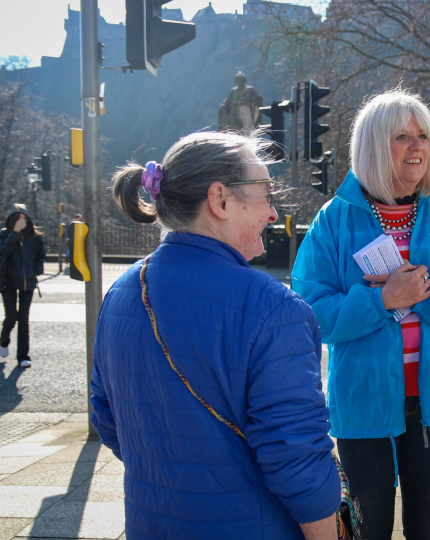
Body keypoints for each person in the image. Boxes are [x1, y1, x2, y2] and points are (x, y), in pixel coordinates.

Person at [90, 132, 340, 540]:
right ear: (220, 200)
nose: (273, 213)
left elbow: (107, 415)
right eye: (266, 194)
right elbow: (296, 459)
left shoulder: (121, 292)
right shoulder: (273, 308)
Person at [292, 90, 430, 540]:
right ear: (371, 145)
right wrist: (381, 300)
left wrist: (422, 293)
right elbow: (310, 312)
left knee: (429, 531)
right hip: (362, 405)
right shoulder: (333, 221)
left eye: (423, 135)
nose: (418, 146)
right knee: (366, 532)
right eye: (401, 137)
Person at [0, 204, 45, 368]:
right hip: (9, 282)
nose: (20, 222)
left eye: (23, 218)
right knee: (11, 316)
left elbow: (41, 258)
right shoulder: (4, 235)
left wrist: (34, 271)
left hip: (28, 281)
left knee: (23, 319)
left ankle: (23, 356)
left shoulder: (35, 237)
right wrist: (15, 233)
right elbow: (3, 252)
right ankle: (4, 340)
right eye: (17, 219)